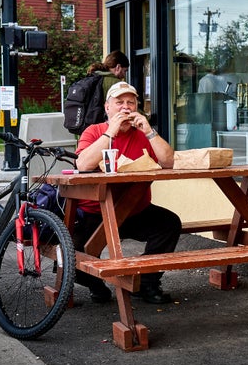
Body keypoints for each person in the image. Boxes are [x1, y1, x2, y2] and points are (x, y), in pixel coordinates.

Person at [74, 81, 181, 304]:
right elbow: (83, 164)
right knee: (76, 259)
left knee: (169, 224)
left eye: (131, 103)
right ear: (107, 107)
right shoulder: (94, 131)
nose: (125, 108)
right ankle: (95, 284)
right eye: (119, 102)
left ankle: (146, 282)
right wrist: (110, 133)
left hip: (134, 211)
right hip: (95, 213)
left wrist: (150, 132)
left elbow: (169, 162)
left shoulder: (143, 134)